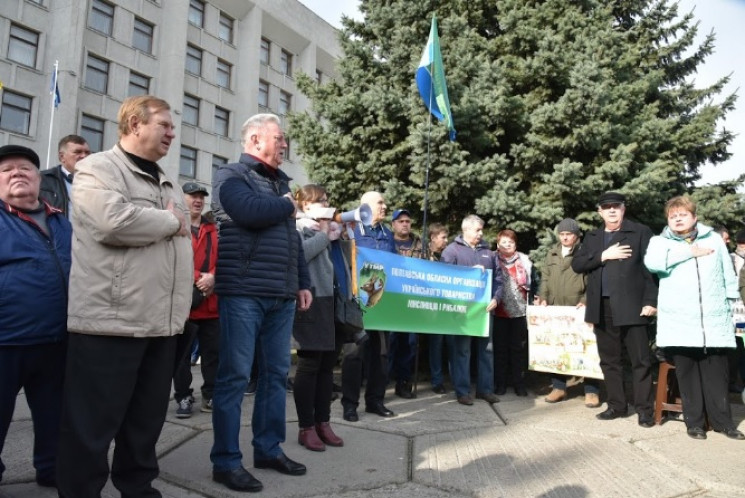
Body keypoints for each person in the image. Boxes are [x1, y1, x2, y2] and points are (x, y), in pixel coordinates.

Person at [56, 95, 193, 498]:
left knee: (145, 423)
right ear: (134, 123)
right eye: (164, 124)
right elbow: (114, 222)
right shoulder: (97, 168)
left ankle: (138, 488)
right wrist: (171, 220)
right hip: (110, 324)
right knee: (91, 427)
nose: (172, 132)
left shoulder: (165, 178)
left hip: (160, 324)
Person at [210, 113, 312, 493]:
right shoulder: (231, 175)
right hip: (243, 292)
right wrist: (290, 205)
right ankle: (225, 461)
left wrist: (301, 281)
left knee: (274, 376)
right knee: (235, 377)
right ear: (254, 140)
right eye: (279, 137)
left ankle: (268, 449)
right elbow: (249, 213)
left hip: (280, 294)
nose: (284, 143)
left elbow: (293, 241)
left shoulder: (281, 184)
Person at [0, 145, 71, 488]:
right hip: (5, 341)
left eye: (25, 168)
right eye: (6, 169)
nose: (16, 173)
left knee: (53, 416)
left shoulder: (62, 221)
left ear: (39, 178)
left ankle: (51, 470)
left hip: (56, 340)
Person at [645, 196, 744, 440]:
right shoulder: (660, 242)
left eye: (683, 214)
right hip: (680, 320)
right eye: (672, 216)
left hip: (713, 318)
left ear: (694, 217)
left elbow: (727, 272)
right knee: (687, 375)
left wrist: (732, 301)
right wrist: (689, 252)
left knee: (717, 373)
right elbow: (652, 263)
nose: (678, 219)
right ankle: (695, 423)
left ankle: (724, 423)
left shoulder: (714, 240)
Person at [571, 192, 657, 428]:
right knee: (609, 361)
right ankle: (617, 406)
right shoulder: (593, 237)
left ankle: (644, 410)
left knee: (640, 361)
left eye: (615, 207)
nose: (611, 211)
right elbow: (578, 264)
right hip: (602, 307)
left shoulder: (640, 232)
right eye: (606, 207)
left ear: (623, 209)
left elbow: (652, 270)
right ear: (599, 211)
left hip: (634, 307)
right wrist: (603, 256)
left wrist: (651, 300)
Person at [292, 184, 345, 452]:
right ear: (305, 206)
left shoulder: (325, 231)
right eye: (320, 201)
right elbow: (299, 255)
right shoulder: (297, 227)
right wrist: (324, 234)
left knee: (326, 368)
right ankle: (306, 427)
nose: (327, 204)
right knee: (309, 366)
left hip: (329, 301)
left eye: (327, 199)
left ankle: (323, 422)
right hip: (309, 300)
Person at [341, 190, 395, 421]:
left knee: (381, 354)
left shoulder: (387, 234)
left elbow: (393, 264)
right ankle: (350, 405)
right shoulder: (352, 229)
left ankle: (375, 401)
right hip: (357, 303)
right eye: (380, 203)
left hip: (381, 303)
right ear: (366, 207)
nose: (384, 206)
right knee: (354, 354)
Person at [535, 218, 600, 407]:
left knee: (586, 348)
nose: (565, 238)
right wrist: (544, 296)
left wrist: (585, 300)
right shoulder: (552, 253)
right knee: (557, 349)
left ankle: (591, 391)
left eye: (568, 234)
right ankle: (559, 388)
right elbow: (545, 278)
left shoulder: (584, 252)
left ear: (576, 236)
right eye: (562, 234)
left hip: (578, 309)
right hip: (556, 308)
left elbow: (591, 279)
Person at [441, 215, 502, 405]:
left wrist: (496, 298)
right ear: (465, 230)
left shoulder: (489, 253)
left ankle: (485, 390)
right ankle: (463, 391)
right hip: (463, 312)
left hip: (485, 310)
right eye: (477, 230)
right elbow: (444, 278)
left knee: (487, 350)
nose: (481, 233)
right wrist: (469, 273)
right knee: (462, 350)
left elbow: (499, 279)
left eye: (482, 230)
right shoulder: (451, 251)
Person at [172, 182, 220, 418]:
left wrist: (214, 278)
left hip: (211, 305)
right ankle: (183, 396)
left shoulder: (213, 229)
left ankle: (209, 395)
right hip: (185, 304)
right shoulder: (174, 227)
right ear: (183, 199)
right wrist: (201, 277)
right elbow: (170, 261)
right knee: (181, 357)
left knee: (213, 355)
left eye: (201, 197)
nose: (198, 200)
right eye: (193, 196)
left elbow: (224, 260)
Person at [493, 229, 537, 396]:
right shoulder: (493, 259)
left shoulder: (524, 260)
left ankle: (519, 384)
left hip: (520, 311)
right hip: (499, 312)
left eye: (510, 242)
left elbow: (534, 284)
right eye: (503, 242)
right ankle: (500, 384)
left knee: (518, 349)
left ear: (515, 244)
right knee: (500, 350)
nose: (507, 246)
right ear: (498, 245)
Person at [389, 208, 422, 399]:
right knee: (390, 343)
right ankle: (383, 382)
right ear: (393, 224)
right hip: (392, 301)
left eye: (407, 221)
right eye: (400, 221)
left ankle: (403, 382)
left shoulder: (420, 244)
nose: (404, 224)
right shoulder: (386, 243)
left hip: (412, 302)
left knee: (409, 344)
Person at [427, 222, 452, 393]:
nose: (446, 241)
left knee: (447, 344)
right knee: (435, 345)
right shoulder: (423, 254)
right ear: (433, 237)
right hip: (428, 309)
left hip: (445, 308)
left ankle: (448, 379)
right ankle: (436, 380)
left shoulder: (447, 256)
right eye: (443, 237)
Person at [39, 135, 91, 218]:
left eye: (87, 152)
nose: (84, 156)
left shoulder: (98, 182)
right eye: (78, 152)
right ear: (62, 157)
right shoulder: (42, 180)